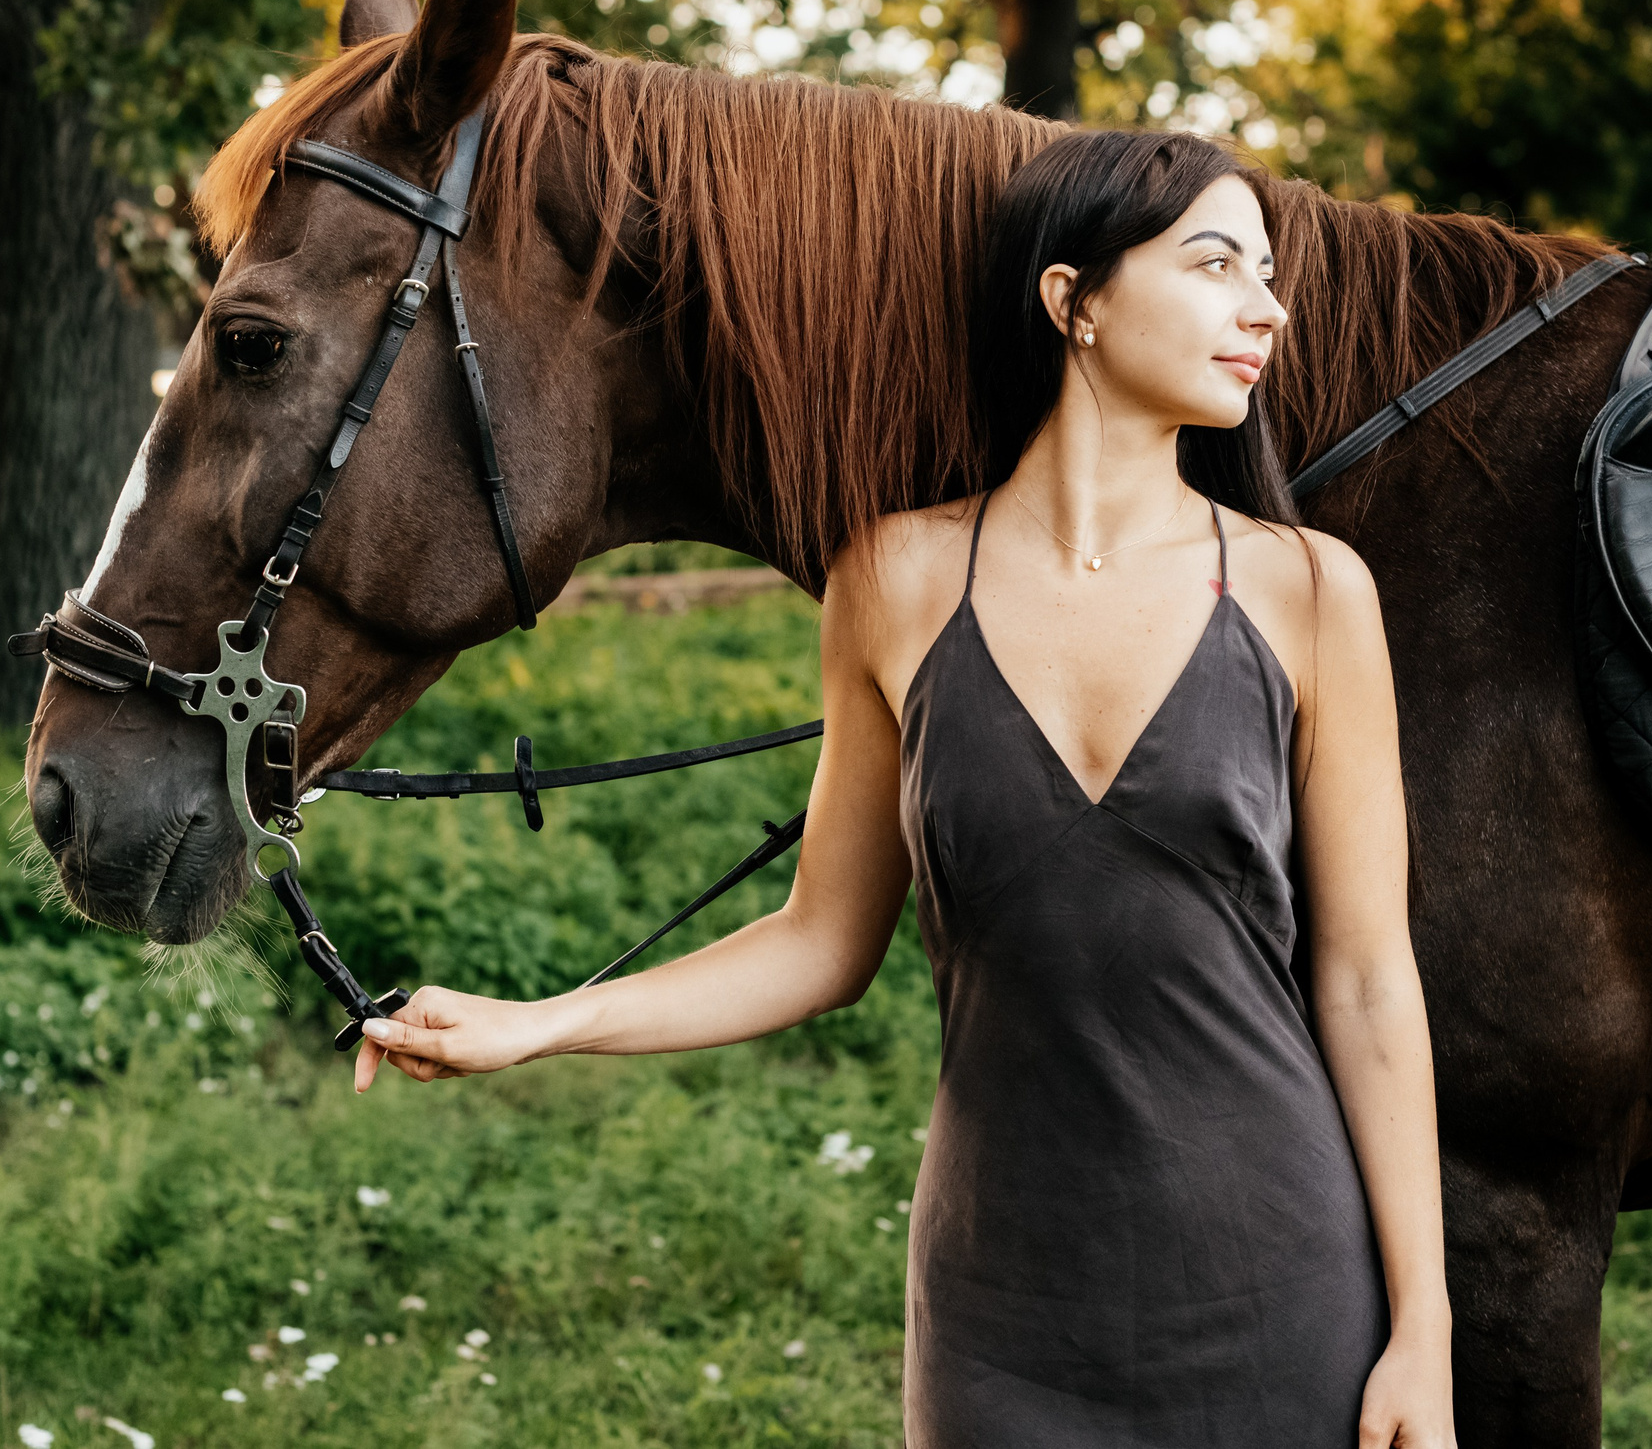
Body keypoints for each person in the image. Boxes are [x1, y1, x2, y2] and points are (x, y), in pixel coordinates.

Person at [352, 130, 1456, 1448]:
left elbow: (1369, 984)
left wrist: (1424, 1334)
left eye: (1268, 274)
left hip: (1283, 1291)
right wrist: (539, 1023)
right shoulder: (893, 583)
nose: (1266, 307)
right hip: (1006, 1321)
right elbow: (819, 944)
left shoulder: (1311, 591)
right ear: (1074, 301)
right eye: (1217, 265)